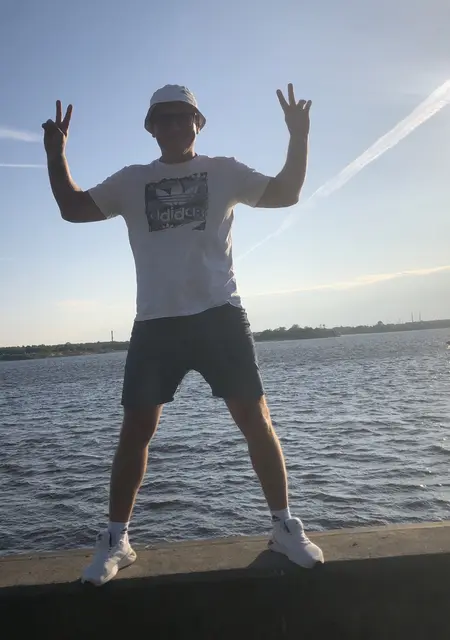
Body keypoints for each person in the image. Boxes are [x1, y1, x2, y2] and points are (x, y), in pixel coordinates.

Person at [42, 83, 324, 586]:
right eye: (163, 119)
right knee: (136, 431)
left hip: (219, 316)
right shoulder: (131, 180)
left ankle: (283, 526)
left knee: (256, 421)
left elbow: (286, 193)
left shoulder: (224, 171)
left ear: (199, 123)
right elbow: (73, 207)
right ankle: (117, 539)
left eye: (182, 117)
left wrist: (298, 137)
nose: (173, 125)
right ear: (151, 128)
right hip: (156, 323)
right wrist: (56, 154)